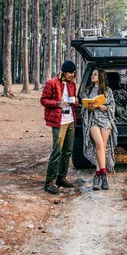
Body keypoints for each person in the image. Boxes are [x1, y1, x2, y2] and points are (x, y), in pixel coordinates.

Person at [40, 60, 78, 194]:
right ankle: (48, 182)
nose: (72, 75)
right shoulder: (52, 83)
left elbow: (73, 100)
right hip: (59, 121)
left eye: (73, 73)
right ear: (63, 72)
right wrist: (57, 103)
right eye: (69, 72)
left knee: (67, 151)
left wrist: (76, 101)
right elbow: (43, 100)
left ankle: (61, 177)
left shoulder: (72, 84)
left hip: (70, 120)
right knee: (57, 151)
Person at [81, 68, 118, 191]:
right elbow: (84, 108)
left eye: (95, 74)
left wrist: (100, 105)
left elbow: (112, 108)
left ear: (101, 77)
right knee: (99, 144)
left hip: (105, 121)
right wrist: (89, 108)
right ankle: (104, 174)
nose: (92, 76)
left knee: (102, 146)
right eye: (92, 74)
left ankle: (98, 175)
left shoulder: (108, 91)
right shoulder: (88, 90)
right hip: (93, 120)